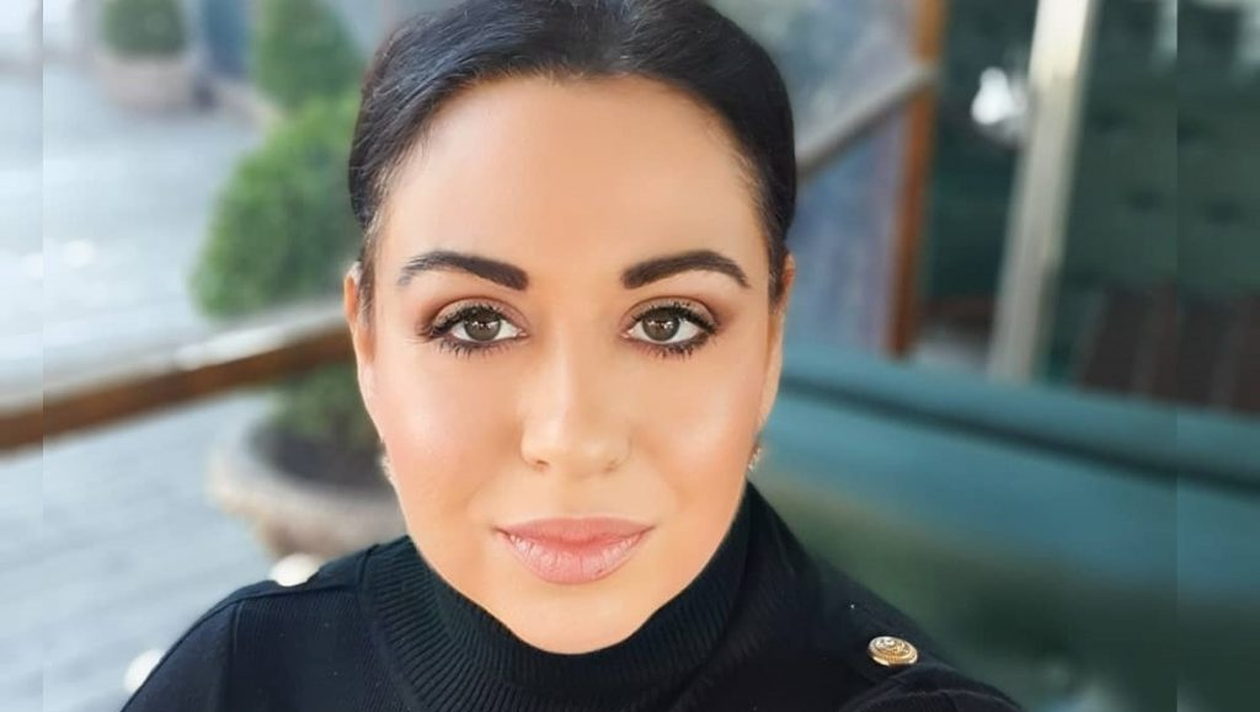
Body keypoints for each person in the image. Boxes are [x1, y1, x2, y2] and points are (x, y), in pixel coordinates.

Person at [122, 1, 1022, 709]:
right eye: (477, 323)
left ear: (771, 340)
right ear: (370, 346)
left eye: (669, 323)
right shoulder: (242, 680)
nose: (573, 436)